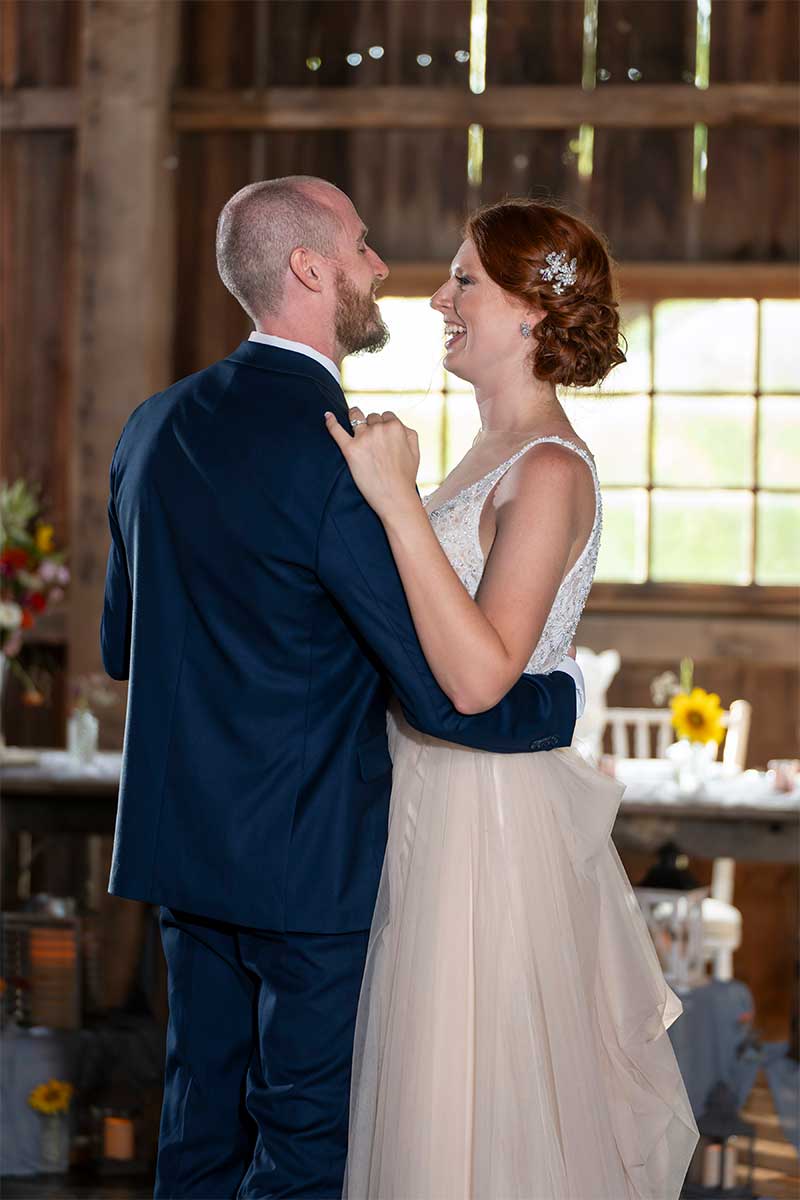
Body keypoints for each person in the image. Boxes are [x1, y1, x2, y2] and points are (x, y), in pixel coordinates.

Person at [100, 177, 585, 1198]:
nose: (383, 271)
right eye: (362, 248)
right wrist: (558, 700)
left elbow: (119, 644)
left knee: (196, 1124)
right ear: (310, 270)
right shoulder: (342, 456)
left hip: (182, 847)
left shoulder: (151, 426)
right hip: (308, 857)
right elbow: (447, 694)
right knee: (304, 1140)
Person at [326, 198, 700, 1200]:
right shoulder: (485, 450)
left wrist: (396, 500)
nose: (437, 298)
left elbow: (483, 673)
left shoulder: (545, 468)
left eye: (463, 282)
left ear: (531, 313)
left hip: (484, 824)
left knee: (469, 1102)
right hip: (425, 795)